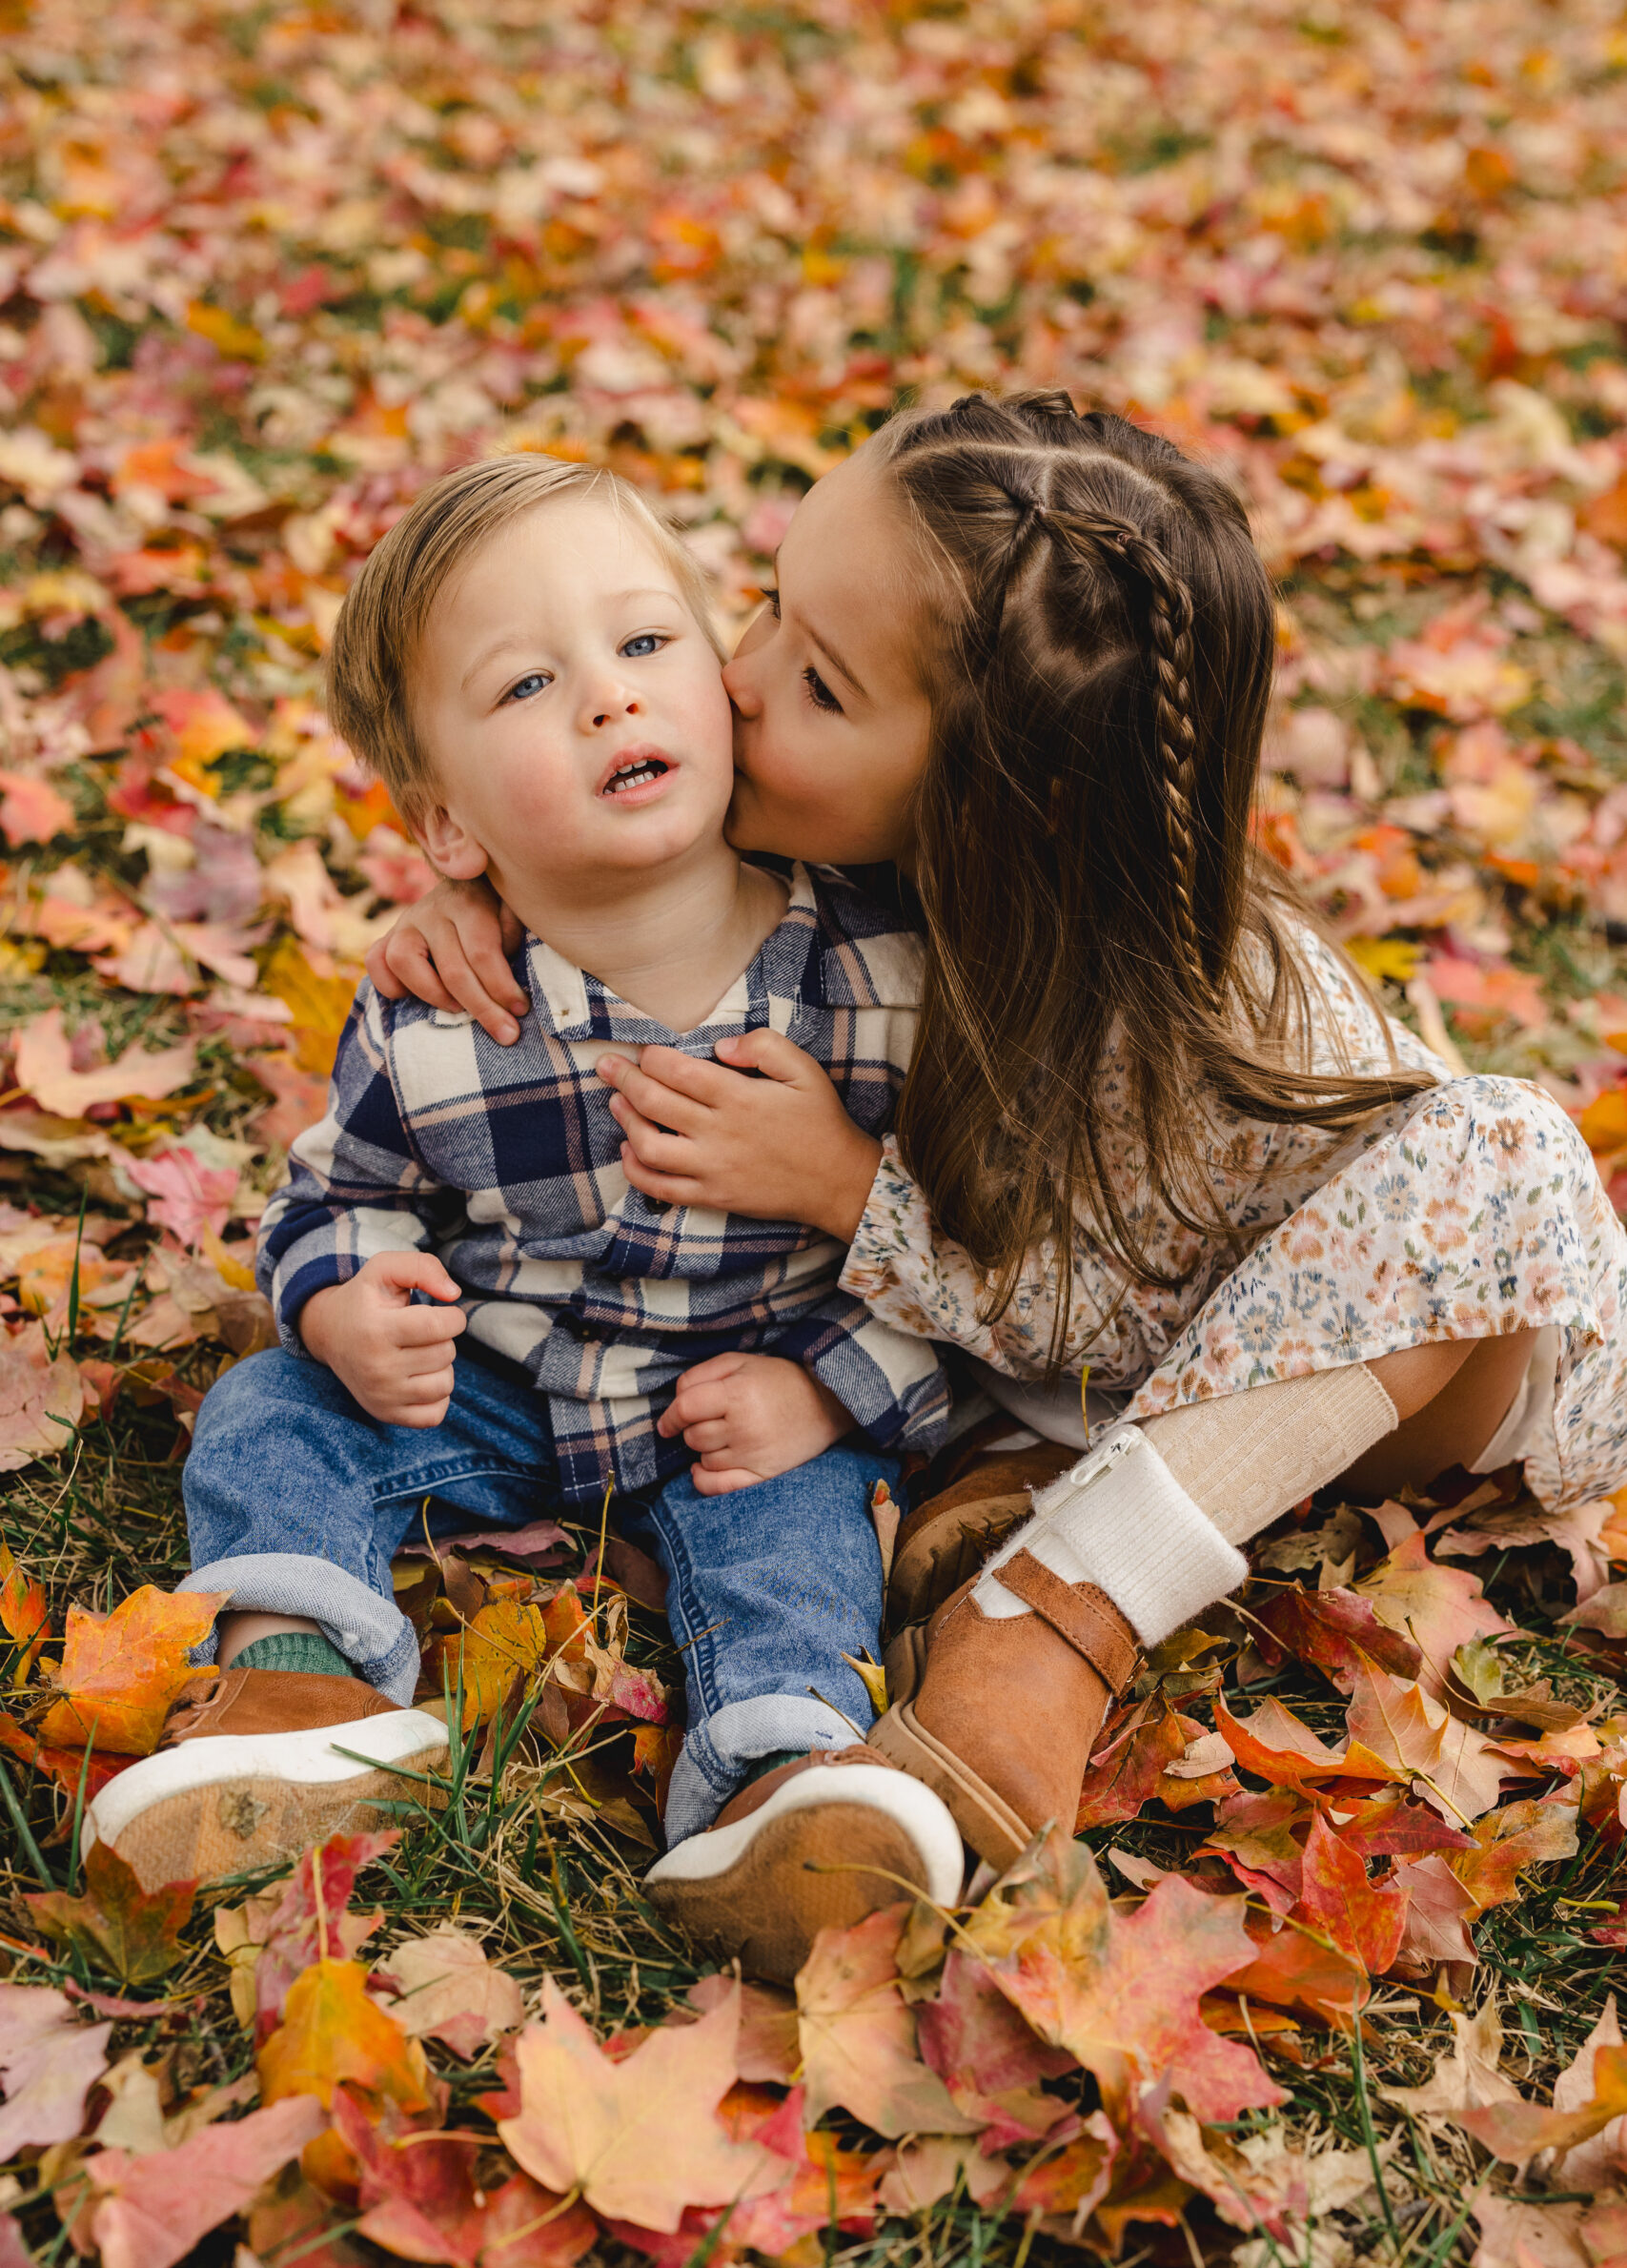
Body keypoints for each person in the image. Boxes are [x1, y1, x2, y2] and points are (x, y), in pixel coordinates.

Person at [367, 388, 1627, 1874]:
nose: (736, 679)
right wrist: (493, 896)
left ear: (991, 802)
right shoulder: (852, 858)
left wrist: (853, 1192)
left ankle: (1050, 1612)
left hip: (1363, 1371)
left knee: (1504, 1138)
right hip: (1026, 1367)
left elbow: (1142, 1314)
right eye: (763, 606)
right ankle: (1007, 1489)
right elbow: (608, 849)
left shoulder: (1190, 1013)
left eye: (819, 684)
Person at [86, 453, 965, 1982]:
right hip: (494, 1383)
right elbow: (336, 1198)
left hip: (732, 1399)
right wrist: (344, 1303)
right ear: (445, 825)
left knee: (803, 1541)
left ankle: (776, 1782)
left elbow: (949, 1246)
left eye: (643, 646)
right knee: (268, 1409)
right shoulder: (439, 1013)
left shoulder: (880, 979)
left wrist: (827, 1388)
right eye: (528, 687)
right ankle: (299, 1691)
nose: (611, 703)